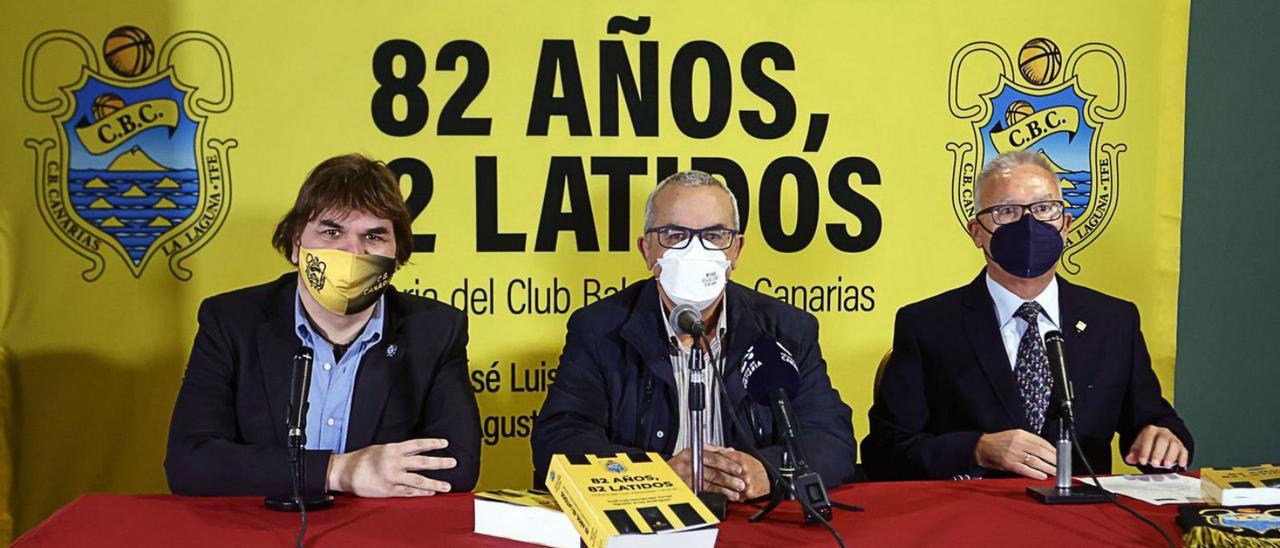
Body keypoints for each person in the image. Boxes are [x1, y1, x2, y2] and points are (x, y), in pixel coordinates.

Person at [862, 150, 1193, 481]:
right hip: (972, 520)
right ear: (977, 232)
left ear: (1065, 226)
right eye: (1007, 211)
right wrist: (977, 449)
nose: (1029, 224)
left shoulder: (1114, 321)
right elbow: (885, 451)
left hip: (1080, 519)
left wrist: (1164, 438)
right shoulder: (927, 326)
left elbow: (1155, 421)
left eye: (1044, 208)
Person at [165, 154, 480, 497]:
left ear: (397, 255)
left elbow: (456, 466)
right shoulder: (231, 321)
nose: (352, 252)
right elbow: (189, 463)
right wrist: (337, 471)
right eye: (332, 232)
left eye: (374, 237)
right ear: (296, 244)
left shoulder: (435, 330)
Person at [532, 170, 857, 502]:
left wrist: (768, 471)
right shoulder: (599, 330)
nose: (695, 251)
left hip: (750, 526)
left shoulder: (785, 329)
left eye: (715, 236)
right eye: (675, 235)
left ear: (736, 250)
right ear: (647, 251)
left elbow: (831, 438)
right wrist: (657, 475)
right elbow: (560, 442)